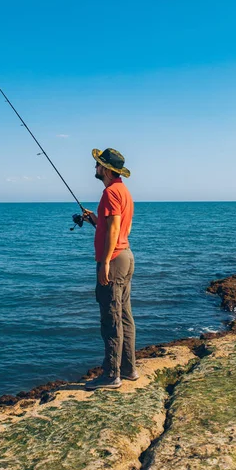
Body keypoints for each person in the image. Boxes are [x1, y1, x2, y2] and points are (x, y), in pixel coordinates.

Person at [83, 148, 138, 390]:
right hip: (125, 256)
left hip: (114, 260)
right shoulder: (122, 191)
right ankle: (128, 369)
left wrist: (105, 262)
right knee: (124, 316)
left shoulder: (110, 192)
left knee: (111, 319)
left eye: (97, 165)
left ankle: (111, 376)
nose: (94, 168)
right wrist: (94, 219)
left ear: (105, 169)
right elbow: (112, 226)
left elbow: (114, 230)